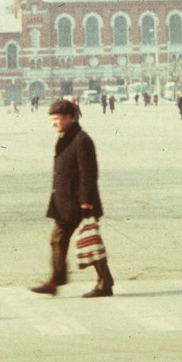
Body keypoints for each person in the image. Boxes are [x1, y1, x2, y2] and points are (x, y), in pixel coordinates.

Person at [30, 98, 114, 298]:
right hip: (67, 200)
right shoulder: (67, 137)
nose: (53, 123)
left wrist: (86, 201)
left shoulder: (81, 140)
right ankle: (103, 282)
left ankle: (57, 280)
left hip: (78, 202)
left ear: (69, 117)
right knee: (86, 239)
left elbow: (88, 173)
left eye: (57, 118)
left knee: (72, 239)